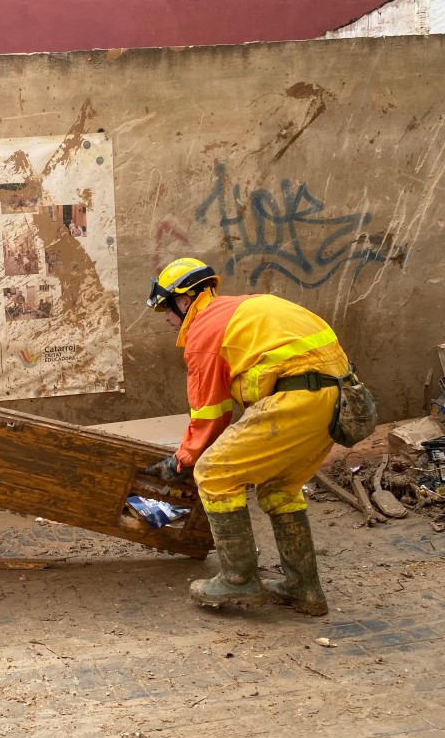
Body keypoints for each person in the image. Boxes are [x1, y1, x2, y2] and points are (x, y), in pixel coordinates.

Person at [146, 257, 349, 617]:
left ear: (184, 299)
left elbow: (210, 413)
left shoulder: (206, 329)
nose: (165, 318)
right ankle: (304, 588)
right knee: (279, 488)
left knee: (213, 473)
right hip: (337, 401)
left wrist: (183, 460)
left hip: (298, 397)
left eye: (165, 307)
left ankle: (239, 579)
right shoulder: (240, 312)